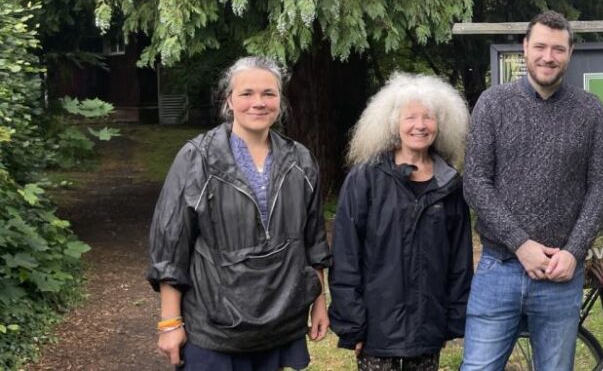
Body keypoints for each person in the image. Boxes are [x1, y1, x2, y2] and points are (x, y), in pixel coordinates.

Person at [147, 56, 331, 369]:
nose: (258, 103)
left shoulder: (300, 160)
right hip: (214, 326)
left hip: (280, 320)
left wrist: (318, 302)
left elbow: (312, 240)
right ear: (229, 100)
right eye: (246, 93)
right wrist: (170, 323)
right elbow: (170, 244)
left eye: (268, 93)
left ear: (280, 101)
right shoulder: (198, 159)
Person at [460, 10, 603, 371]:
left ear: (569, 53)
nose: (548, 56)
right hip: (499, 267)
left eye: (558, 49)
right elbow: (476, 182)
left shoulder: (590, 111)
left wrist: (574, 252)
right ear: (525, 48)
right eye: (540, 46)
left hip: (562, 273)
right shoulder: (493, 104)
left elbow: (600, 185)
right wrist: (521, 244)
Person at [328, 73, 474, 371]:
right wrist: (352, 324)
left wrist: (452, 319)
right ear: (394, 123)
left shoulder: (450, 185)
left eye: (428, 117)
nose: (419, 125)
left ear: (440, 123)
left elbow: (460, 262)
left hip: (427, 331)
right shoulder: (366, 178)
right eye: (410, 117)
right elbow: (346, 257)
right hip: (377, 332)